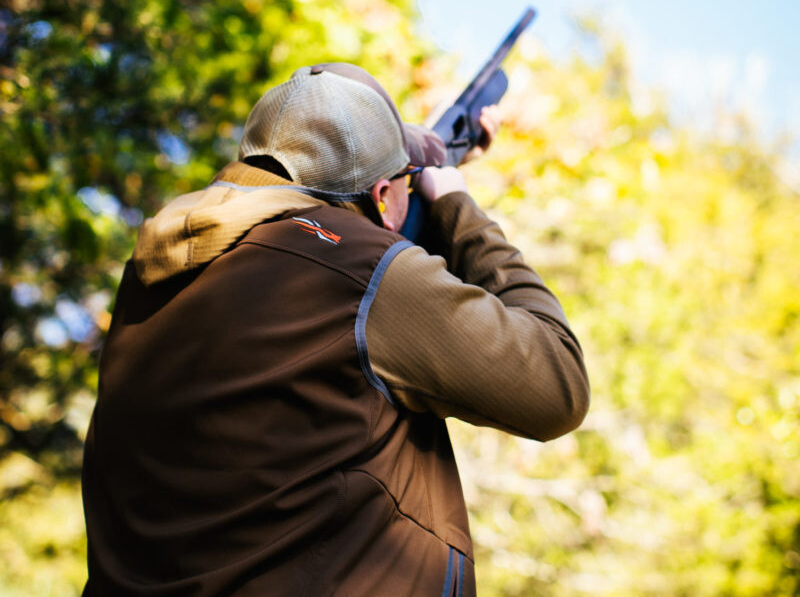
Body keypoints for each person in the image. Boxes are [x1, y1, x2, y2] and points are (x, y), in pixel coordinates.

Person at [82, 62, 590, 596]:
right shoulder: (361, 266)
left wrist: (410, 175)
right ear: (381, 197)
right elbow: (557, 383)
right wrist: (456, 207)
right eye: (401, 186)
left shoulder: (155, 270)